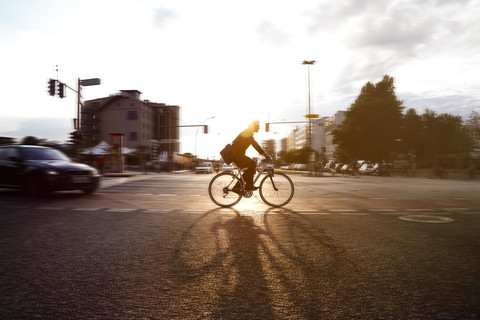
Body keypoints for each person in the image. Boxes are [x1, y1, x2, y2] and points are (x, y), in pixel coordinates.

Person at [231, 120, 270, 192]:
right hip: (236, 156)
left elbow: (255, 145)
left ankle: (238, 187)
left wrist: (265, 154)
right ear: (254, 126)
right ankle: (248, 186)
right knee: (253, 164)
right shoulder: (247, 133)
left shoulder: (248, 133)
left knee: (249, 169)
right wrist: (266, 155)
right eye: (258, 126)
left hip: (237, 155)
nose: (259, 128)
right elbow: (256, 145)